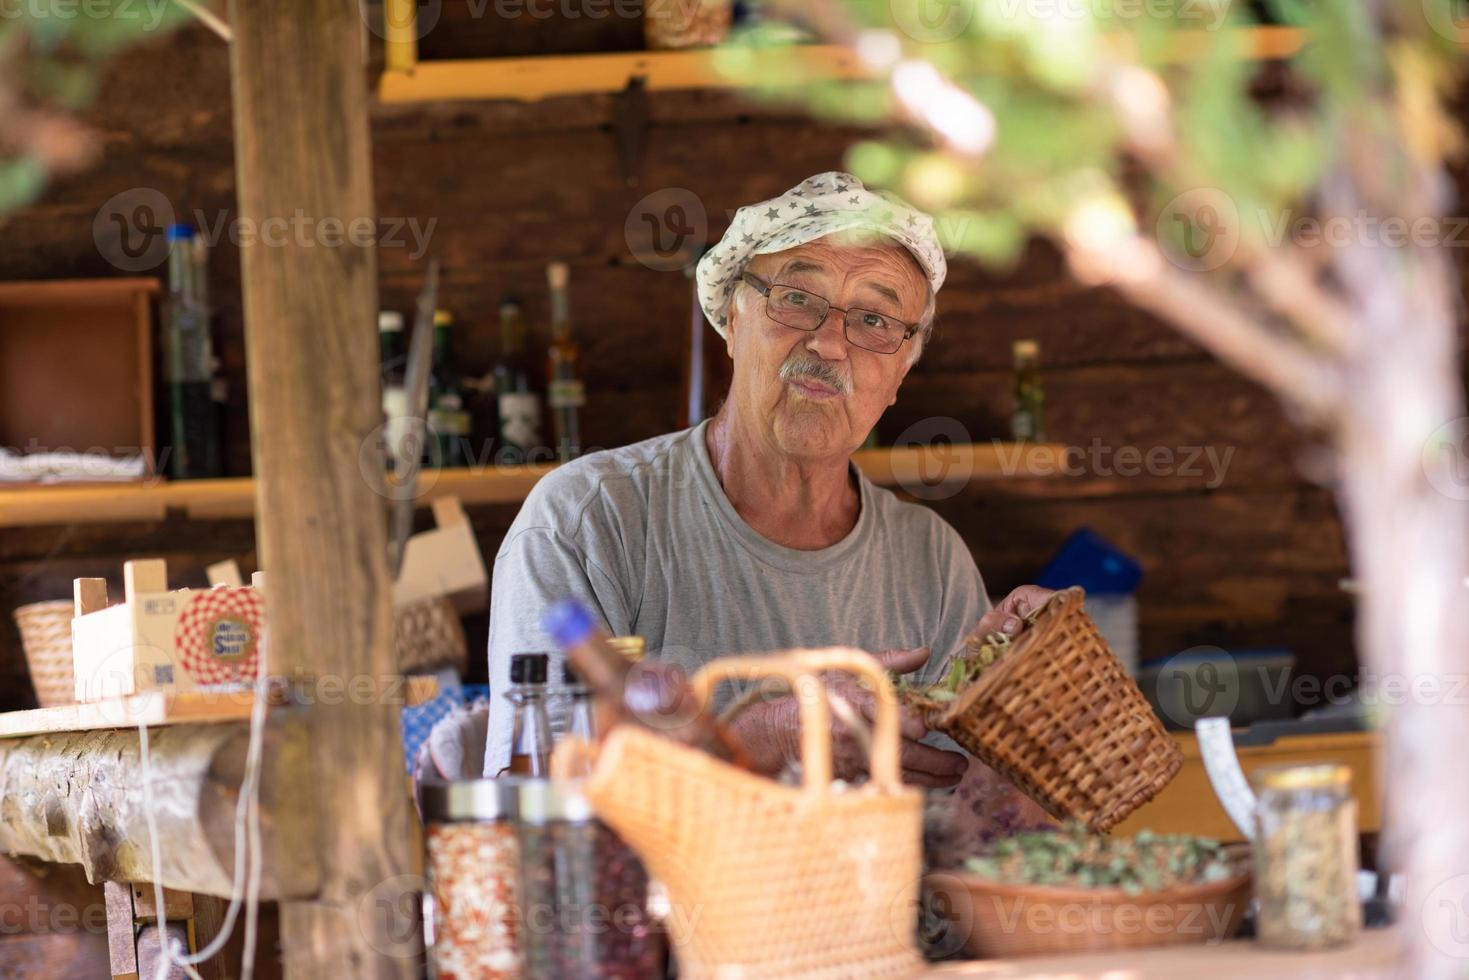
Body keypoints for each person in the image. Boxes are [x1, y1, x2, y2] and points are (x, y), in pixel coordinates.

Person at [484, 172, 1052, 804]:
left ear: (899, 376)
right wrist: (762, 739)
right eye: (797, 299)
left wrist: (1008, 709)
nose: (830, 343)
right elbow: (532, 810)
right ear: (732, 319)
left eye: (874, 319)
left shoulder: (932, 560)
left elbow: (972, 823)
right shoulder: (588, 520)